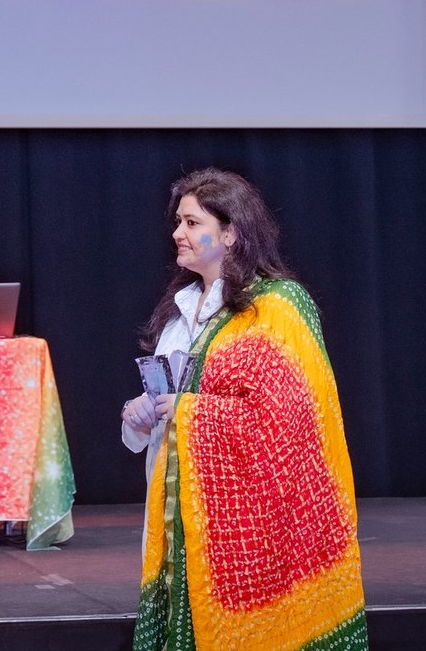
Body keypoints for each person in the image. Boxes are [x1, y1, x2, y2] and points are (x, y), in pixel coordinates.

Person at [121, 167, 367, 650]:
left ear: (230, 233)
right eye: (178, 222)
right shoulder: (179, 310)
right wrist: (139, 415)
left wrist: (190, 412)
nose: (177, 233)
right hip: (177, 510)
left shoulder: (276, 306)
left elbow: (287, 418)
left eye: (192, 223)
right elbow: (166, 403)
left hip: (255, 521)